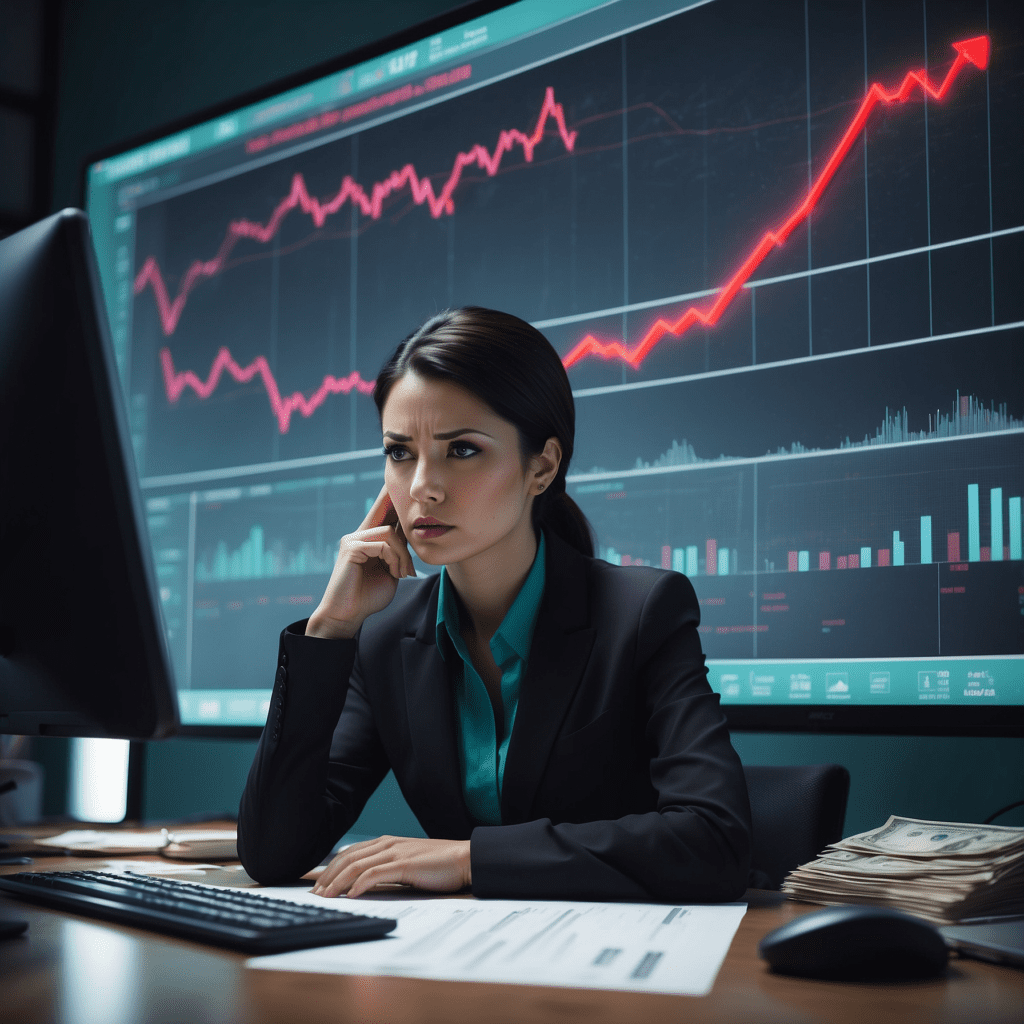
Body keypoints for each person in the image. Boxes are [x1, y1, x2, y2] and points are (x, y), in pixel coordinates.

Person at [237, 307, 751, 902]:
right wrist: (330, 629)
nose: (423, 486)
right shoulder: (383, 638)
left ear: (542, 466)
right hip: (468, 968)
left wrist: (470, 860)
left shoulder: (640, 612)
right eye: (400, 453)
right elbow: (273, 852)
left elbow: (715, 841)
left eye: (461, 451)